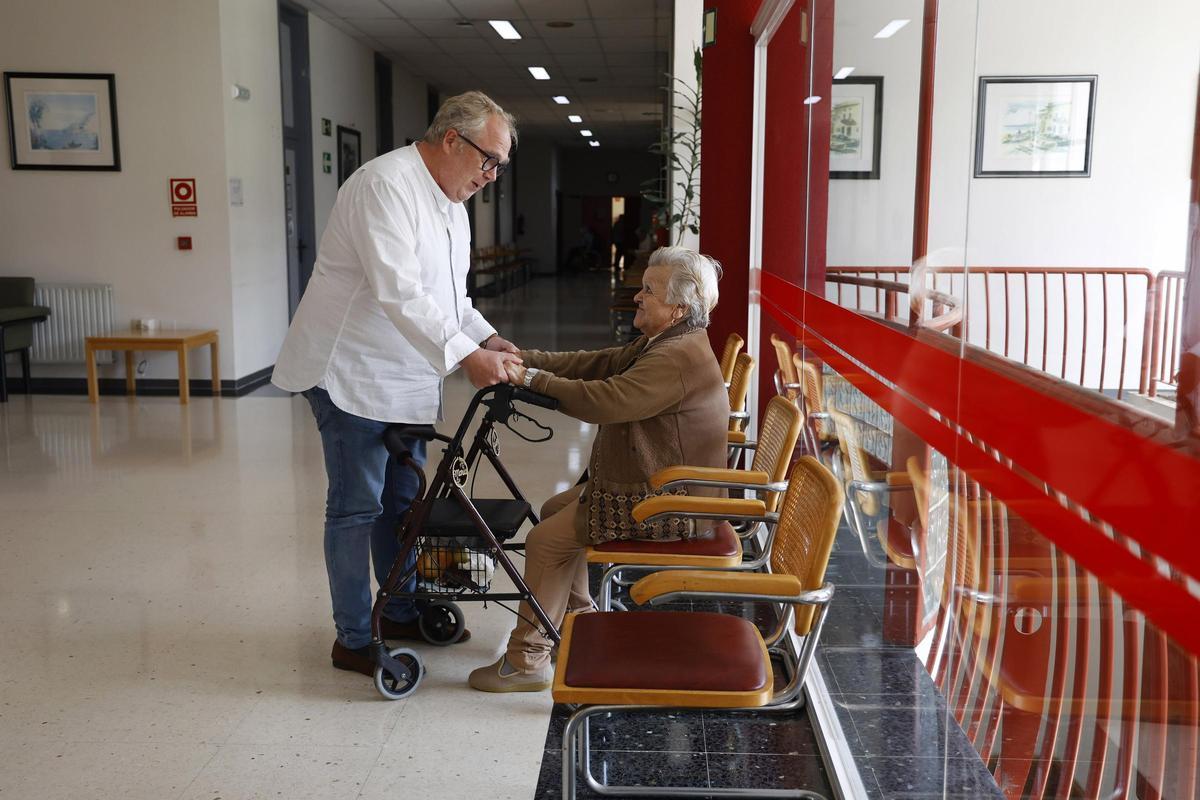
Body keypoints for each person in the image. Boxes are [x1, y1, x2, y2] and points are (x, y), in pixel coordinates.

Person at [271, 91, 523, 677]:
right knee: (358, 506)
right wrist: (465, 358)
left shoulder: (453, 208)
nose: (491, 176)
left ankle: (402, 608)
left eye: (500, 167)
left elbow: (452, 300)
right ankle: (355, 638)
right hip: (351, 370)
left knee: (403, 502)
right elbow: (399, 291)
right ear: (452, 140)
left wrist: (485, 340)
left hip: (405, 375)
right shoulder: (382, 185)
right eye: (489, 161)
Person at [468, 246, 729, 692]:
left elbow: (606, 400)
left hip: (672, 504)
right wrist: (526, 360)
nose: (638, 297)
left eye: (650, 290)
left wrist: (527, 379)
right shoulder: (668, 340)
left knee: (544, 542)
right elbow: (597, 363)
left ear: (679, 308)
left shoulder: (676, 357)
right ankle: (576, 621)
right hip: (661, 487)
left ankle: (526, 661)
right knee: (554, 510)